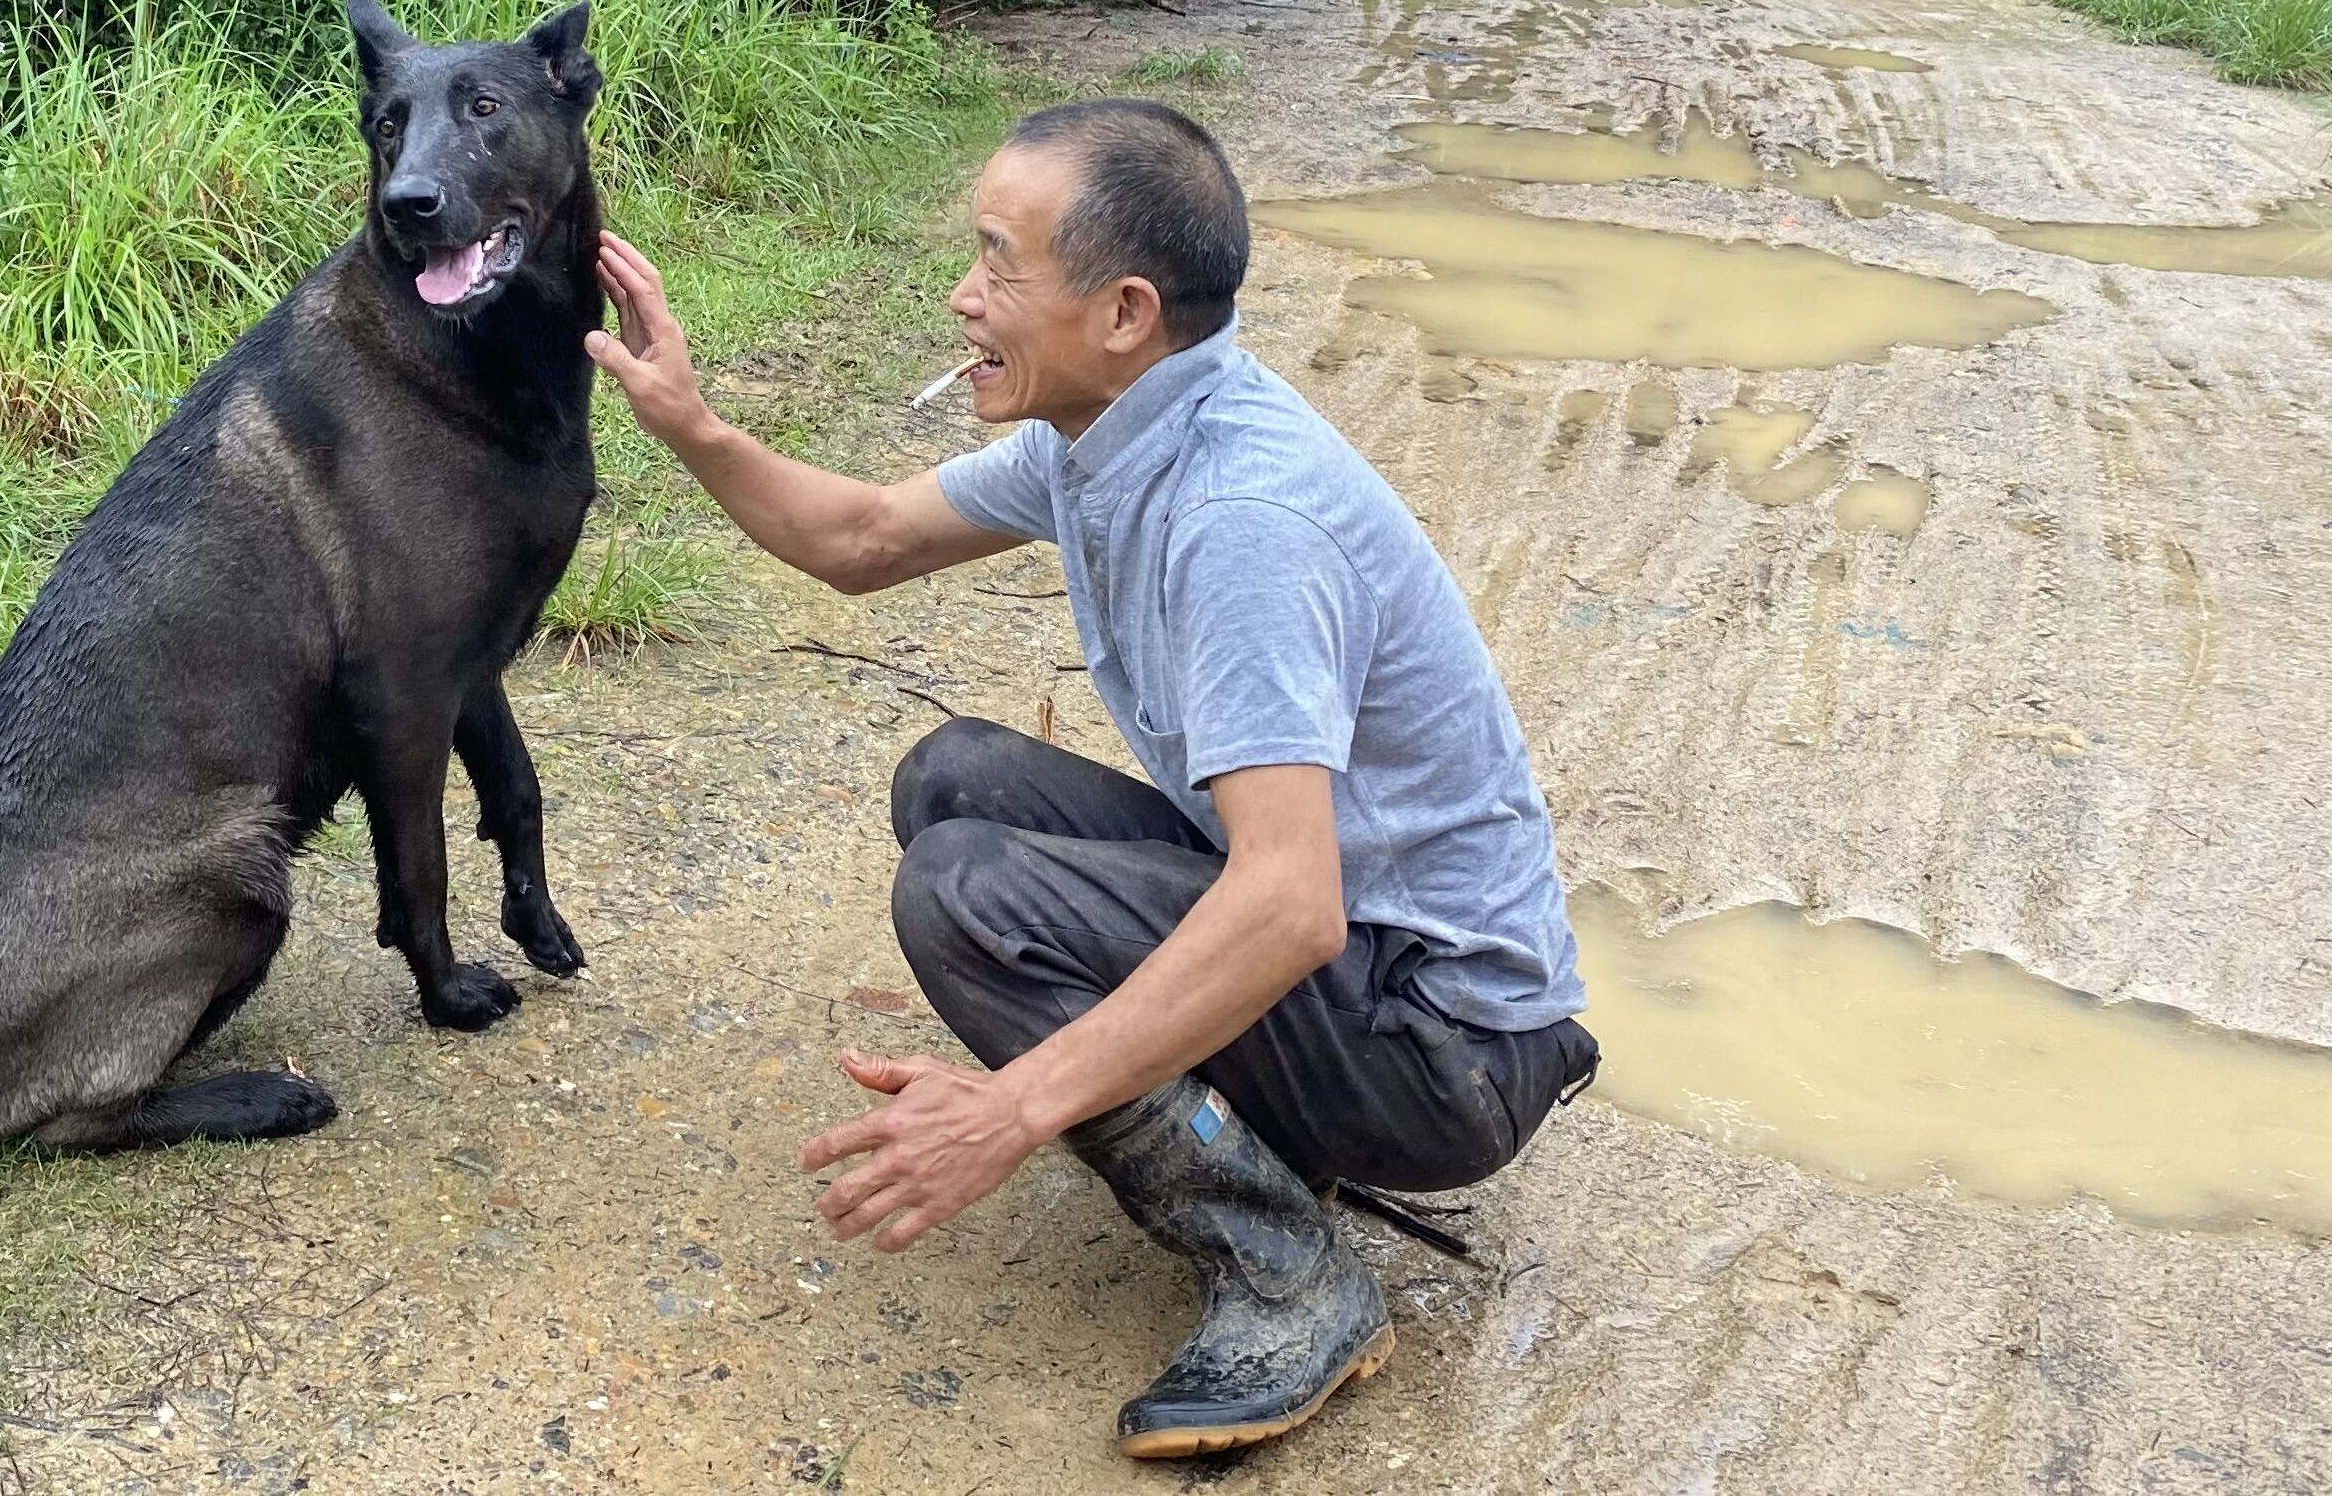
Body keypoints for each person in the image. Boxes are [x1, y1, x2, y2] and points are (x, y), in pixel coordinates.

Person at [581, 99, 1594, 1463]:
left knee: (967, 892)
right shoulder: (1113, 428)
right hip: (1367, 968)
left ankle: (1295, 1276)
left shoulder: (1241, 516)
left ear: (1124, 312)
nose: (962, 296)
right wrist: (691, 424)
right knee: (954, 784)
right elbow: (868, 539)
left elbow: (1290, 904)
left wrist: (1007, 1113)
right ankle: (1258, 1127)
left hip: (1446, 1046)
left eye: (1000, 263)